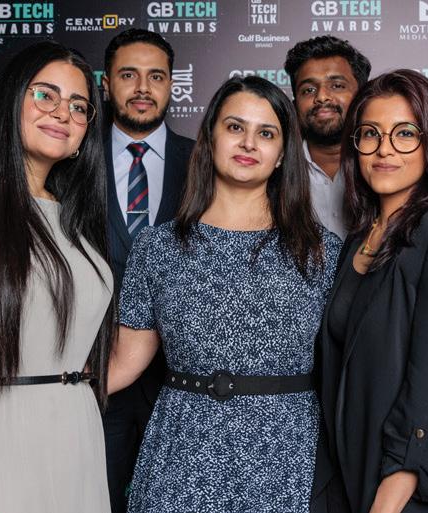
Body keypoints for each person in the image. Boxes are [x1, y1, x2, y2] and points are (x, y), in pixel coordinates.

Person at [107, 75, 341, 512]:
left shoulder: (321, 252)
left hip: (286, 458)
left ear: (281, 155)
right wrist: (34, 390)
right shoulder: (157, 248)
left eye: (266, 133)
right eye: (235, 127)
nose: (249, 143)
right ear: (211, 137)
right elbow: (124, 362)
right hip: (180, 458)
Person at [312, 69, 428, 513]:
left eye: (405, 134)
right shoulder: (359, 241)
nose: (384, 149)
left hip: (416, 493)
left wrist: (388, 501)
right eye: (370, 134)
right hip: (359, 479)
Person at [0, 41, 114, 512]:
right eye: (45, 95)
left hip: (77, 437)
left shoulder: (76, 221)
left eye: (79, 106)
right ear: (11, 98)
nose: (62, 113)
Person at [101, 28, 194, 513]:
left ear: (171, 84)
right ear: (106, 84)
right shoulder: (73, 158)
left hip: (181, 382)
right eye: (128, 75)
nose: (143, 88)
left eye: (156, 76)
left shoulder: (203, 162)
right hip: (95, 374)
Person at [284, 35, 371, 240]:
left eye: (337, 86)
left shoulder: (384, 166)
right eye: (309, 90)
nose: (322, 96)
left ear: (362, 96)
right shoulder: (275, 171)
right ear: (295, 103)